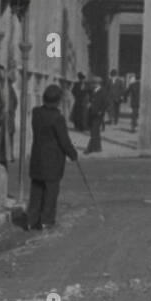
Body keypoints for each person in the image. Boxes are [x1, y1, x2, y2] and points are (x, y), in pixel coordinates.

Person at [27, 85, 78, 230]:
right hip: (52, 160)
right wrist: (73, 154)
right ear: (58, 101)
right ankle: (46, 220)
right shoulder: (57, 118)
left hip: (37, 157)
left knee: (36, 191)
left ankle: (31, 220)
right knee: (51, 191)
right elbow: (64, 140)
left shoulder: (36, 112)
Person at [85, 77, 106, 154]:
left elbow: (105, 102)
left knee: (94, 130)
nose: (93, 84)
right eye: (93, 83)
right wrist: (89, 104)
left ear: (98, 83)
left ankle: (89, 148)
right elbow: (91, 100)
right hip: (92, 113)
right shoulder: (93, 91)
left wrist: (101, 111)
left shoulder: (103, 91)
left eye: (94, 83)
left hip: (99, 114)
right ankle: (98, 148)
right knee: (96, 131)